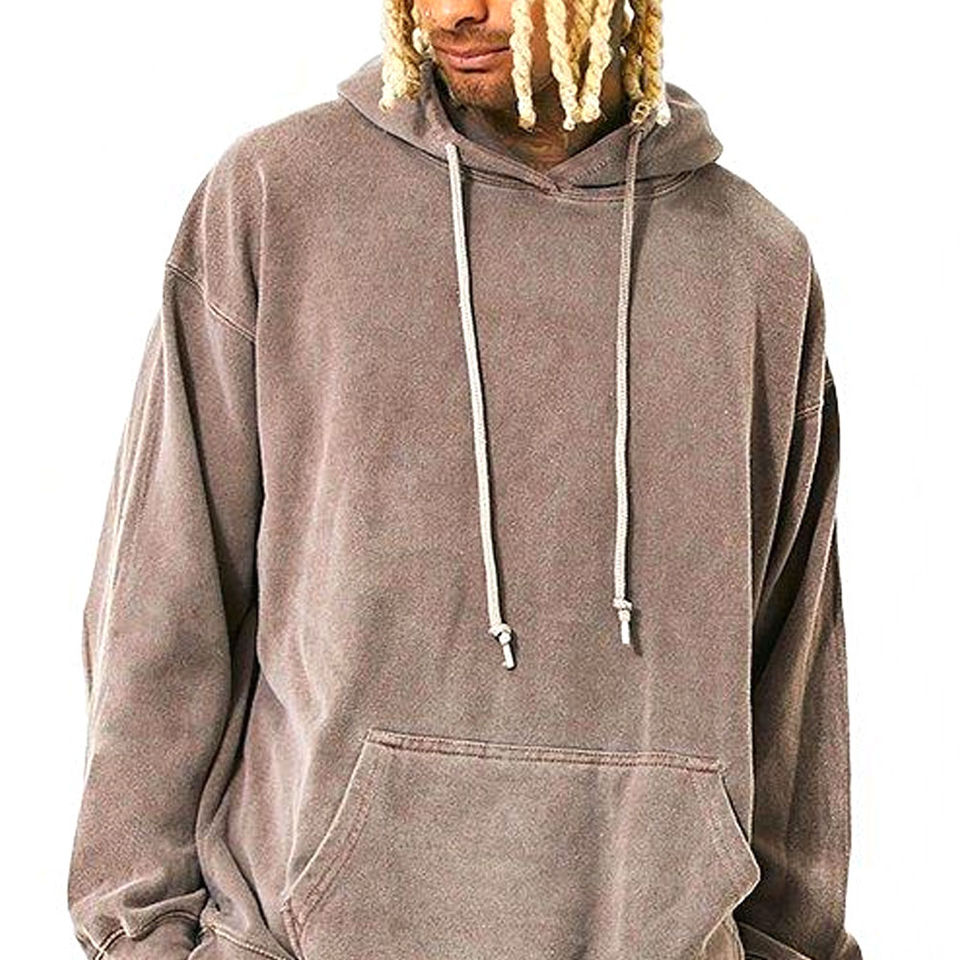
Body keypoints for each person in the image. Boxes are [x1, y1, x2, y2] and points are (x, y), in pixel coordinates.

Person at [66, 2, 865, 959]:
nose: (451, 12)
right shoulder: (280, 198)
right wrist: (138, 935)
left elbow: (793, 665)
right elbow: (163, 594)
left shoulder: (754, 262)